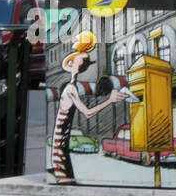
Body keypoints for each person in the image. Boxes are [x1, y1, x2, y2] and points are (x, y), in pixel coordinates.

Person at [50, 31, 132, 184]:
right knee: (66, 181)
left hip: (61, 146)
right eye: (83, 61)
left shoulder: (72, 87)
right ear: (71, 63)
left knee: (67, 181)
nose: (84, 64)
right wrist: (110, 100)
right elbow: (87, 113)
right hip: (59, 149)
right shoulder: (70, 89)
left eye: (85, 62)